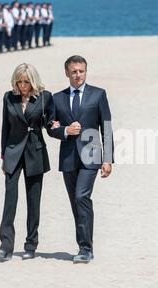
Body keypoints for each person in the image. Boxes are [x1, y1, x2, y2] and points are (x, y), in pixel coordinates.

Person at [49, 55, 114, 264]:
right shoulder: (56, 98)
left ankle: (86, 249)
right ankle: (83, 245)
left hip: (91, 156)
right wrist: (65, 130)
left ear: (86, 71)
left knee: (81, 197)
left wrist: (108, 159)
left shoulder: (98, 94)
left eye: (82, 71)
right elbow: (50, 127)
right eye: (74, 71)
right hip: (68, 157)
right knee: (75, 203)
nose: (78, 75)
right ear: (67, 73)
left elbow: (106, 127)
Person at [0, 63, 56, 262]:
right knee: (10, 200)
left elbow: (50, 122)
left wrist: (56, 125)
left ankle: (30, 245)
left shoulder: (45, 97)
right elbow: (5, 128)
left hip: (35, 152)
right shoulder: (8, 97)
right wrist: (3, 156)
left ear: (33, 81)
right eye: (20, 81)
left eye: (27, 81)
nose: (23, 85)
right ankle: (5, 245)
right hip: (12, 152)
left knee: (33, 201)